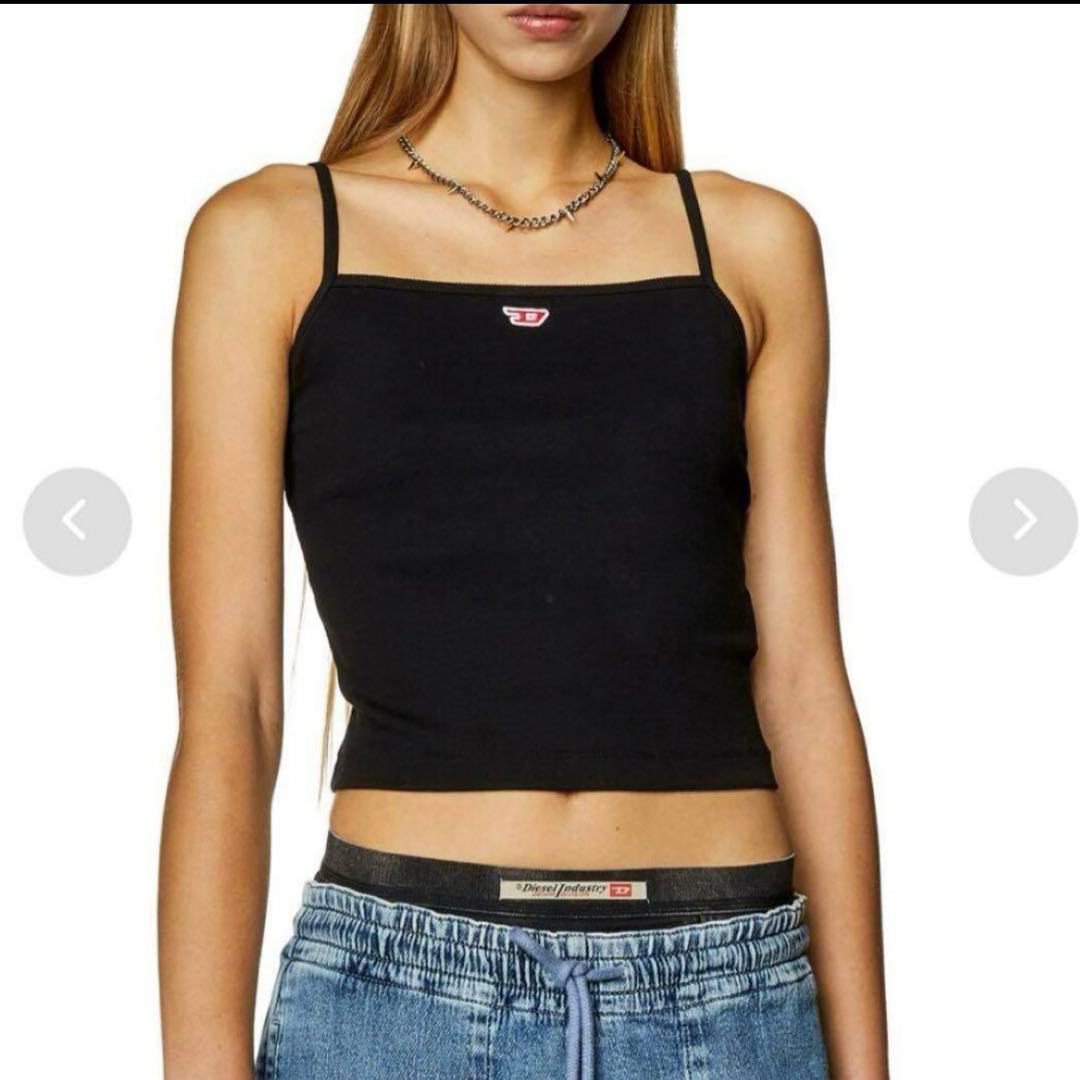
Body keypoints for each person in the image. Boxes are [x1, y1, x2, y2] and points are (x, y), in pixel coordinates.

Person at [158, 5, 888, 1078]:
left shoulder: (752, 242)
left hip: (728, 994)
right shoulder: (270, 236)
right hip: (397, 1002)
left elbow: (805, 684)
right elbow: (236, 702)